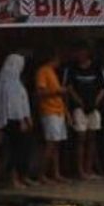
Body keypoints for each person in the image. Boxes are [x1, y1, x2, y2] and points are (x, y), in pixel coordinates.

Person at [64, 45, 104, 181]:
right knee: (81, 138)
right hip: (79, 107)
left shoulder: (97, 67)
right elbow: (69, 88)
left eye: (83, 52)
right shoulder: (71, 68)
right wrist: (79, 102)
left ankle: (89, 169)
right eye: (78, 52)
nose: (81, 55)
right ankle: (80, 170)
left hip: (94, 107)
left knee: (92, 137)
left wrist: (96, 102)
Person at [0, 53, 33, 189]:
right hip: (13, 121)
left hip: (20, 120)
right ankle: (13, 179)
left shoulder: (16, 82)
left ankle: (23, 176)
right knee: (14, 150)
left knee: (23, 149)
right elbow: (13, 106)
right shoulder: (8, 84)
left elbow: (23, 102)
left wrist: (28, 118)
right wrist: (22, 120)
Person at [35, 51, 68, 182]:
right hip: (49, 111)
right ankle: (42, 174)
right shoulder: (43, 71)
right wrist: (58, 91)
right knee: (50, 143)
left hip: (59, 110)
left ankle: (56, 173)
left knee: (57, 144)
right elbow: (40, 92)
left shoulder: (53, 72)